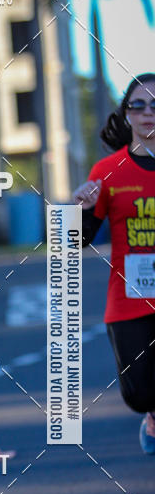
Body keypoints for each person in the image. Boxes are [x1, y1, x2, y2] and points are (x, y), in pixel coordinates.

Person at [73, 73, 155, 453]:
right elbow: (76, 242)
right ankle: (151, 416)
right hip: (129, 301)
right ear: (126, 115)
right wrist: (81, 211)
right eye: (138, 105)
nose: (147, 112)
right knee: (139, 395)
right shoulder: (106, 172)